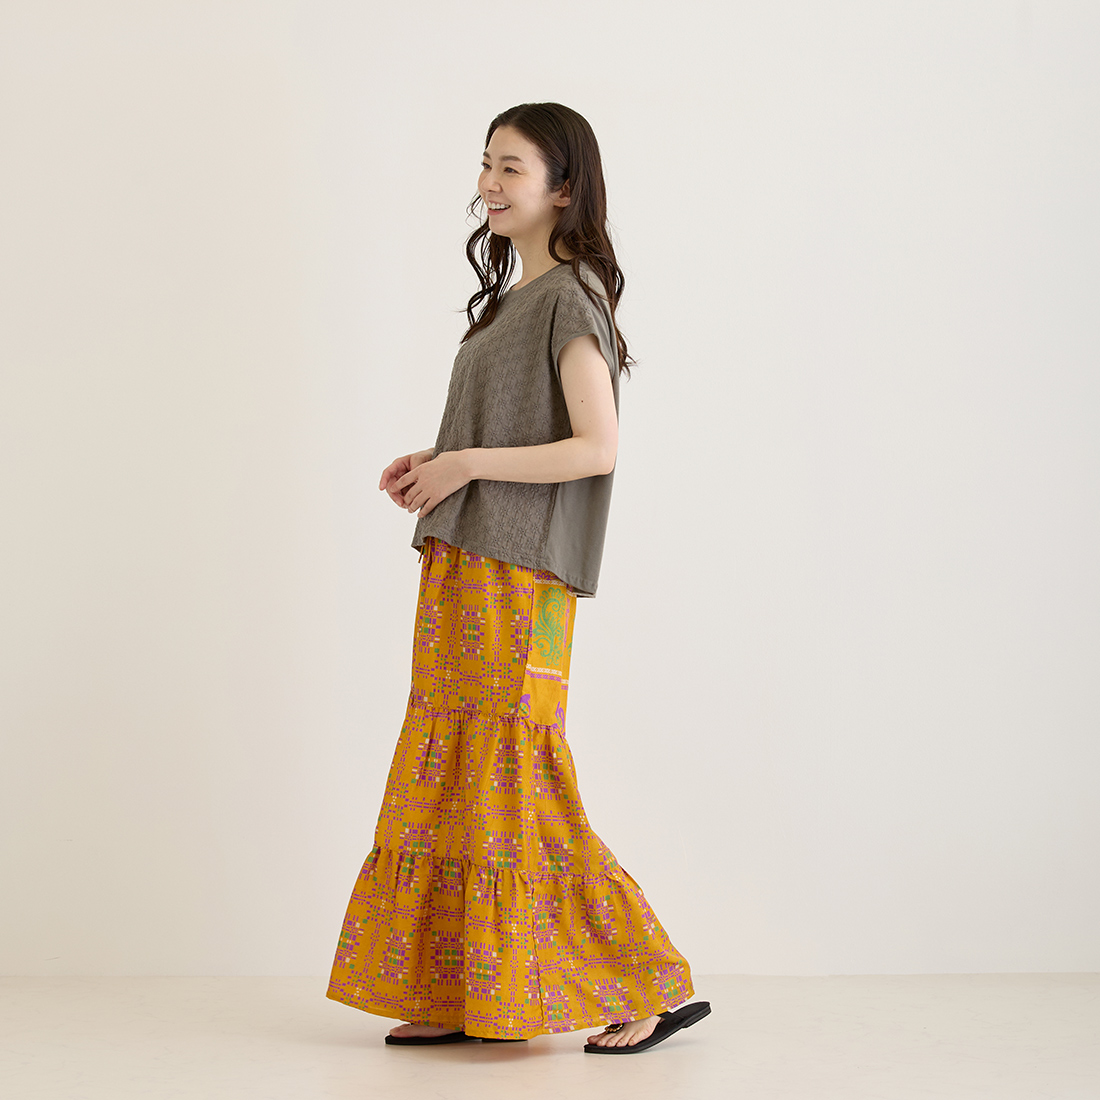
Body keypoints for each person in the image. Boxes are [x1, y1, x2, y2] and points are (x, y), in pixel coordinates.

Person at [326, 102, 709, 1054]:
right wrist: (438, 461)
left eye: (511, 168)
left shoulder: (571, 296)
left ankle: (646, 982)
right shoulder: (513, 299)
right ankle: (467, 991)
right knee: (460, 775)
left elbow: (595, 446)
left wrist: (466, 464)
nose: (488, 184)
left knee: (515, 774)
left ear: (563, 189)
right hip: (466, 563)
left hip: (519, 575)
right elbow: (516, 434)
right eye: (486, 164)